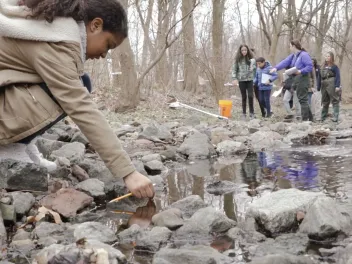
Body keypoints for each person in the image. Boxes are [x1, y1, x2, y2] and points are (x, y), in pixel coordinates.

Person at [0, 0, 154, 199]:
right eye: (108, 45)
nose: (103, 55)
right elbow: (81, 106)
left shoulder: (49, 28)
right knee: (79, 86)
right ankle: (7, 149)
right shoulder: (57, 41)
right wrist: (128, 172)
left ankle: (21, 145)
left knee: (82, 81)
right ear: (95, 25)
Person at [270, 40, 313, 121]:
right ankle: (310, 119)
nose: (289, 48)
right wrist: (276, 68)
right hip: (296, 79)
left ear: (294, 46)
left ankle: (305, 120)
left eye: (290, 46)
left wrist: (301, 71)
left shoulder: (304, 55)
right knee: (302, 98)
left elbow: (310, 66)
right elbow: (285, 62)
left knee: (303, 99)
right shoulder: (294, 56)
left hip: (303, 78)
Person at [232, 44, 256, 119]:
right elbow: (234, 69)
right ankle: (244, 113)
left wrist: (253, 68)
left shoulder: (251, 58)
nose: (244, 51)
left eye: (245, 50)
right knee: (244, 96)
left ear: (247, 50)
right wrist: (234, 78)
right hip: (241, 80)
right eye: (242, 50)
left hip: (250, 79)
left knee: (250, 96)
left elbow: (255, 67)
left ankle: (251, 113)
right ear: (240, 51)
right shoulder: (238, 59)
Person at [320, 52, 341, 122]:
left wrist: (337, 86)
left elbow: (338, 76)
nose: (327, 57)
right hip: (323, 83)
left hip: (331, 82)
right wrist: (318, 86)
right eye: (326, 56)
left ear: (331, 57)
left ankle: (335, 117)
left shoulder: (334, 66)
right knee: (324, 100)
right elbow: (318, 76)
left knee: (335, 100)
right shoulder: (322, 66)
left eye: (328, 56)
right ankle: (323, 117)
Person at [251, 48, 266, 117]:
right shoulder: (247, 62)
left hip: (259, 82)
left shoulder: (256, 62)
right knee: (258, 98)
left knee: (262, 98)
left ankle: (265, 111)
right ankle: (263, 112)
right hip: (253, 82)